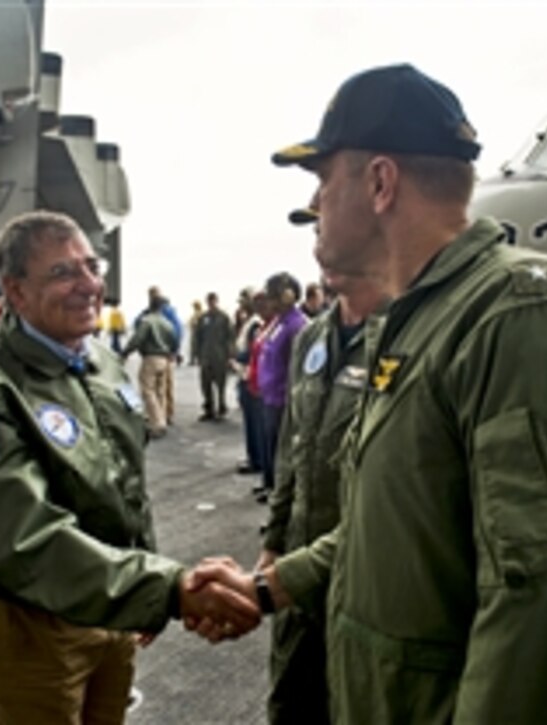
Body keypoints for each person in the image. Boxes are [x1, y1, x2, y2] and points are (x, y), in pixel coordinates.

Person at [191, 63, 547, 723]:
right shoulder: (419, 320)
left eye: (323, 181)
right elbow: (389, 524)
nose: (316, 206)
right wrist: (267, 587)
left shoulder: (522, 315)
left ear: (380, 182)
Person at [0, 210, 260, 724]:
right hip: (29, 616)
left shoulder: (100, 361)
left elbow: (124, 478)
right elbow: (22, 540)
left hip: (109, 600)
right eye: (62, 273)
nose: (89, 285)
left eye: (91, 266)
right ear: (15, 292)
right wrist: (160, 589)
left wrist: (140, 581)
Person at [256, 208, 387, 724]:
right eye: (315, 232)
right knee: (291, 707)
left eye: (329, 227)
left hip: (368, 587)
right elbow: (293, 447)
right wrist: (273, 540)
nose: (319, 246)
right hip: (296, 576)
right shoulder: (312, 338)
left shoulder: (410, 335)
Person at [255, 272, 307, 503]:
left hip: (284, 402)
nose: (269, 302)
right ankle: (272, 489)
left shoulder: (297, 326)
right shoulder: (279, 323)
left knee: (283, 456)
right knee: (272, 449)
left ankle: (281, 501)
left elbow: (299, 369)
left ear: (287, 297)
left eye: (273, 297)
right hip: (270, 398)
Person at [122, 293, 178, 438]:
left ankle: (157, 424)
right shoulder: (167, 323)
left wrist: (126, 352)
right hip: (165, 359)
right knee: (160, 390)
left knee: (148, 391)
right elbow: (174, 341)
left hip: (151, 358)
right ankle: (162, 419)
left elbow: (138, 339)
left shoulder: (147, 321)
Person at [232, 288, 268, 475]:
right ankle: (255, 458)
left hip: (249, 375)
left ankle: (257, 460)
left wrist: (239, 361)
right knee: (252, 421)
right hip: (246, 374)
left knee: (255, 423)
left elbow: (254, 351)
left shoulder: (255, 324)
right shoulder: (250, 323)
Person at [194, 292, 234, 421]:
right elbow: (197, 337)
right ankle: (209, 409)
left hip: (220, 356)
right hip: (206, 355)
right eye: (209, 301)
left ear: (217, 301)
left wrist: (230, 355)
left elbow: (230, 337)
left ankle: (221, 407)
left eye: (213, 300)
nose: (211, 303)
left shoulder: (224, 317)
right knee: (206, 384)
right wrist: (197, 354)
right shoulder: (203, 318)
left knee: (221, 383)